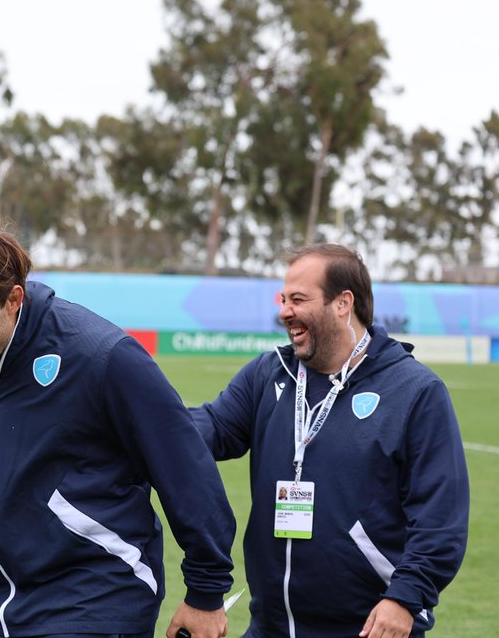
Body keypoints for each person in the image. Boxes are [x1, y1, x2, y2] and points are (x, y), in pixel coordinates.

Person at [0, 224, 236, 638]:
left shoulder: (102, 356)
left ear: (13, 299)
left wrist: (206, 593)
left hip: (94, 596)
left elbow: (185, 467)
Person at [192, 244, 470, 638]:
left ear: (343, 303)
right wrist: (137, 424)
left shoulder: (415, 392)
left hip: (368, 628)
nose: (285, 311)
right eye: (284, 299)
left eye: (298, 299)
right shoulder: (269, 374)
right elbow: (211, 428)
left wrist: (406, 597)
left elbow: (441, 518)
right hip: (270, 625)